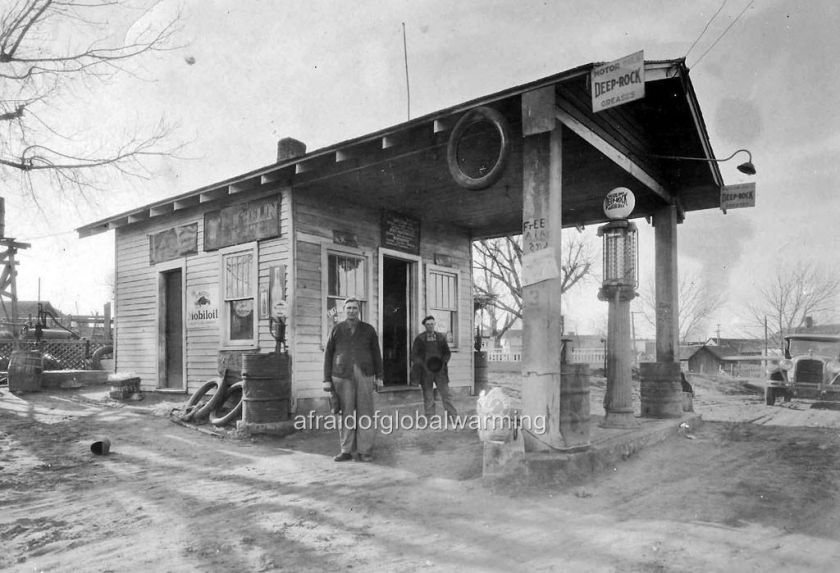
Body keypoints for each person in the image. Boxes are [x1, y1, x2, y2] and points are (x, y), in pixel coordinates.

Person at [323, 298, 383, 462]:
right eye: (348, 308)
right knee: (345, 413)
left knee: (365, 412)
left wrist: (380, 377)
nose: (351, 311)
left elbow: (377, 354)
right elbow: (328, 354)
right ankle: (346, 450)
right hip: (342, 375)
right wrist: (326, 379)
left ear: (359, 310)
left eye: (354, 308)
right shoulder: (336, 329)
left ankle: (365, 450)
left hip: (365, 374)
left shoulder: (368, 330)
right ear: (344, 310)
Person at [410, 315, 458, 423]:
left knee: (446, 395)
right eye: (428, 324)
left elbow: (447, 353)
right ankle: (431, 419)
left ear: (434, 324)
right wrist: (422, 364)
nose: (431, 326)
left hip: (440, 371)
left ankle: (453, 418)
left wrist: (443, 362)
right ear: (424, 326)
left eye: (432, 324)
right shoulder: (420, 339)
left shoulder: (440, 337)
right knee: (428, 397)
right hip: (426, 372)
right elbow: (414, 355)